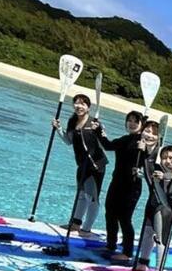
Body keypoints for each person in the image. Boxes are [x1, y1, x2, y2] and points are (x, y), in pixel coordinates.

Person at [52, 94, 107, 236]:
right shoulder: (72, 121)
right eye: (76, 103)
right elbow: (68, 141)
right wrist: (59, 129)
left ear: (88, 107)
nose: (79, 106)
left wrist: (99, 131)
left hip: (96, 165)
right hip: (82, 165)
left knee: (92, 197)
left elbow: (105, 145)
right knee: (81, 195)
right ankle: (75, 224)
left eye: (82, 104)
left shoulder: (95, 123)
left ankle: (86, 229)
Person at [97, 110, 147, 261]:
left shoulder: (143, 143)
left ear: (142, 124)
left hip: (132, 186)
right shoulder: (124, 139)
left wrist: (145, 149)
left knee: (125, 218)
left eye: (136, 121)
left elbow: (151, 160)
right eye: (129, 120)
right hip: (116, 183)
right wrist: (98, 130)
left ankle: (127, 252)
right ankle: (111, 244)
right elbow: (107, 145)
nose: (132, 124)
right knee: (110, 213)